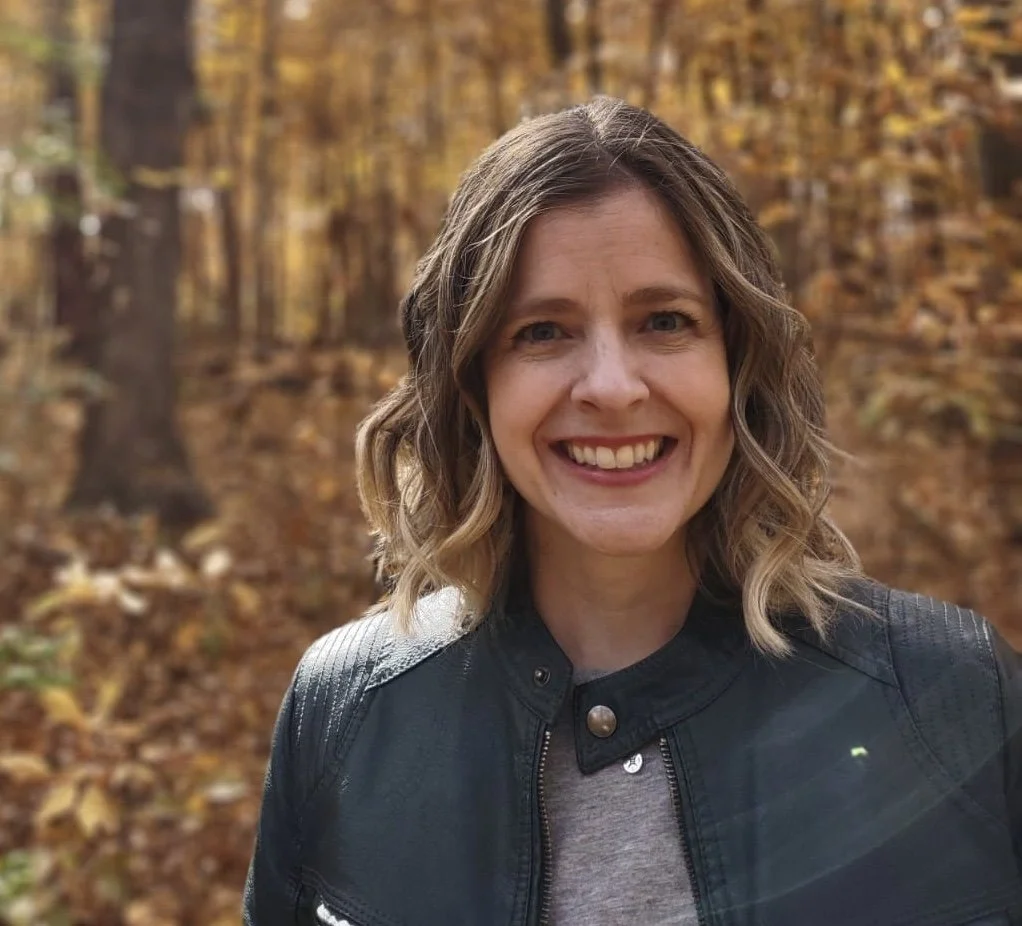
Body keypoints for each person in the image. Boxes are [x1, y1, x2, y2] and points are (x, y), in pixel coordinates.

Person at [243, 96, 1022, 926]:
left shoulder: (949, 695)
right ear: (474, 386)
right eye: (543, 331)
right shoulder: (344, 714)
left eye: (665, 321)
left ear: (738, 362)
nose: (612, 387)